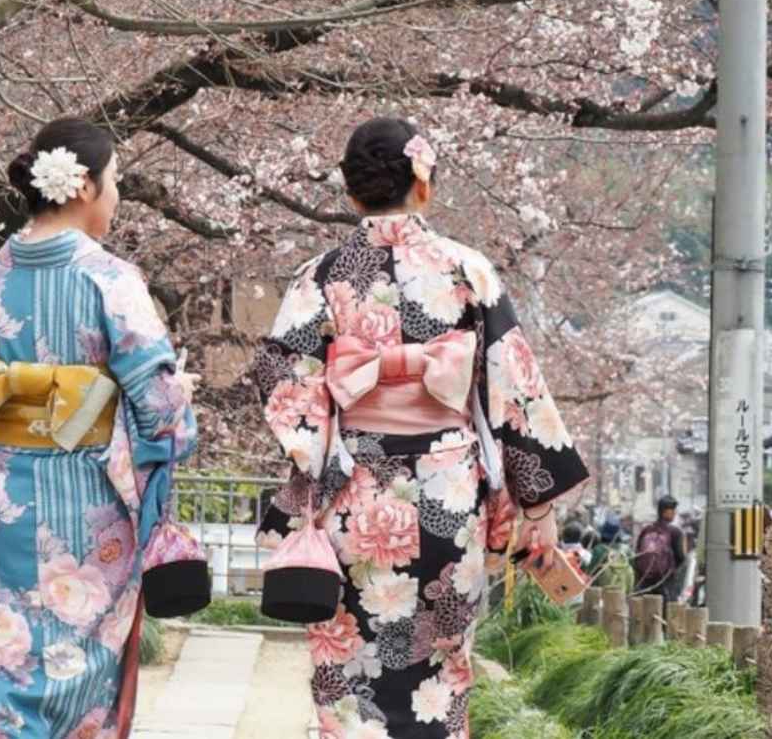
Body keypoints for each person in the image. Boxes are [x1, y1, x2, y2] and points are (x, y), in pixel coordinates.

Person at [251, 118, 589, 739]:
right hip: (445, 496)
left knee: (346, 662)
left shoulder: (320, 275)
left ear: (351, 192)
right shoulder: (468, 270)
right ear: (423, 184)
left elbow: (282, 381)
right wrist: (534, 498)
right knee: (440, 670)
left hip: (352, 494)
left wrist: (323, 463)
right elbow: (512, 386)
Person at [0, 118, 198, 739]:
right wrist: (179, 408)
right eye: (115, 181)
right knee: (85, 675)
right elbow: (160, 410)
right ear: (82, 187)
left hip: (6, 507)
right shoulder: (110, 280)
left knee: (13, 663)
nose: (117, 195)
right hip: (89, 509)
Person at [633, 495, 687, 601]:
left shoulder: (646, 530)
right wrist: (671, 568)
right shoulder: (675, 532)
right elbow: (681, 557)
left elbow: (638, 555)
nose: (674, 513)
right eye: (672, 510)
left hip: (645, 585)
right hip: (666, 584)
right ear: (666, 512)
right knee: (669, 614)